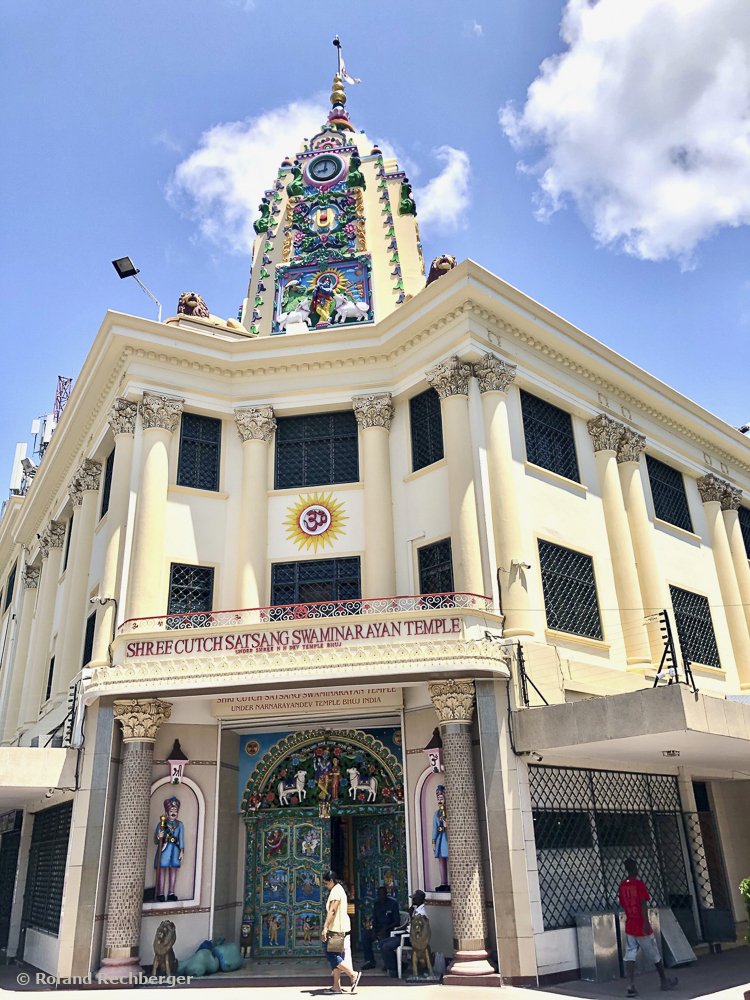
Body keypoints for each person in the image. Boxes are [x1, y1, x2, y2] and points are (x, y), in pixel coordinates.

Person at [618, 858, 678, 996]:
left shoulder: (622, 885)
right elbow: (643, 903)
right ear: (634, 868)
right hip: (641, 924)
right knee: (654, 953)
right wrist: (645, 922)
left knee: (630, 954)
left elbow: (622, 903)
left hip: (630, 924)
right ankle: (664, 981)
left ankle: (630, 985)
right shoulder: (638, 884)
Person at [322, 869, 361, 994]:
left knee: (331, 955)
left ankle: (352, 974)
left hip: (337, 929)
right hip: (339, 927)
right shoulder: (338, 890)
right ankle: (336, 986)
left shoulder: (336, 892)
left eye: (326, 883)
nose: (326, 886)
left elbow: (332, 911)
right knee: (336, 956)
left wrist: (325, 927)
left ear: (331, 881)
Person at [380, 889, 427, 979]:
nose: (413, 901)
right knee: (382, 943)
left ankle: (393, 970)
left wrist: (411, 916)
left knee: (386, 946)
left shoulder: (421, 913)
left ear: (419, 899)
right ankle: (400, 965)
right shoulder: (416, 910)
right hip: (406, 934)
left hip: (411, 939)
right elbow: (408, 925)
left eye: (414, 899)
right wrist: (399, 929)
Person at [360, 886, 400, 970]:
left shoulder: (393, 904)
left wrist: (386, 928)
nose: (381, 896)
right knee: (365, 936)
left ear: (386, 894)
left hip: (389, 929)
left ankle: (388, 963)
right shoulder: (377, 905)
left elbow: (397, 921)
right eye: (379, 895)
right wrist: (374, 931)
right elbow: (375, 920)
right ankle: (370, 961)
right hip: (378, 929)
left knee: (383, 939)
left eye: (383, 894)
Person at [153, 796, 184, 902]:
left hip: (175, 850)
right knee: (162, 870)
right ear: (167, 812)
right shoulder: (162, 824)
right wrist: (159, 836)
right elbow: (156, 840)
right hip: (164, 850)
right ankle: (160, 893)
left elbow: (181, 838)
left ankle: (171, 893)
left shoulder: (179, 824)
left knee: (173, 870)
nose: (173, 813)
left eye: (175, 811)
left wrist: (182, 850)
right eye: (171, 811)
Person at [432, 785, 449, 891]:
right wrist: (433, 841)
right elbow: (435, 828)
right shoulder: (436, 813)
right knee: (441, 860)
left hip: (448, 837)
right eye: (438, 798)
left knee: (449, 858)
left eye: (441, 797)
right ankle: (443, 882)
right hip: (440, 838)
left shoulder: (449, 811)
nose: (439, 799)